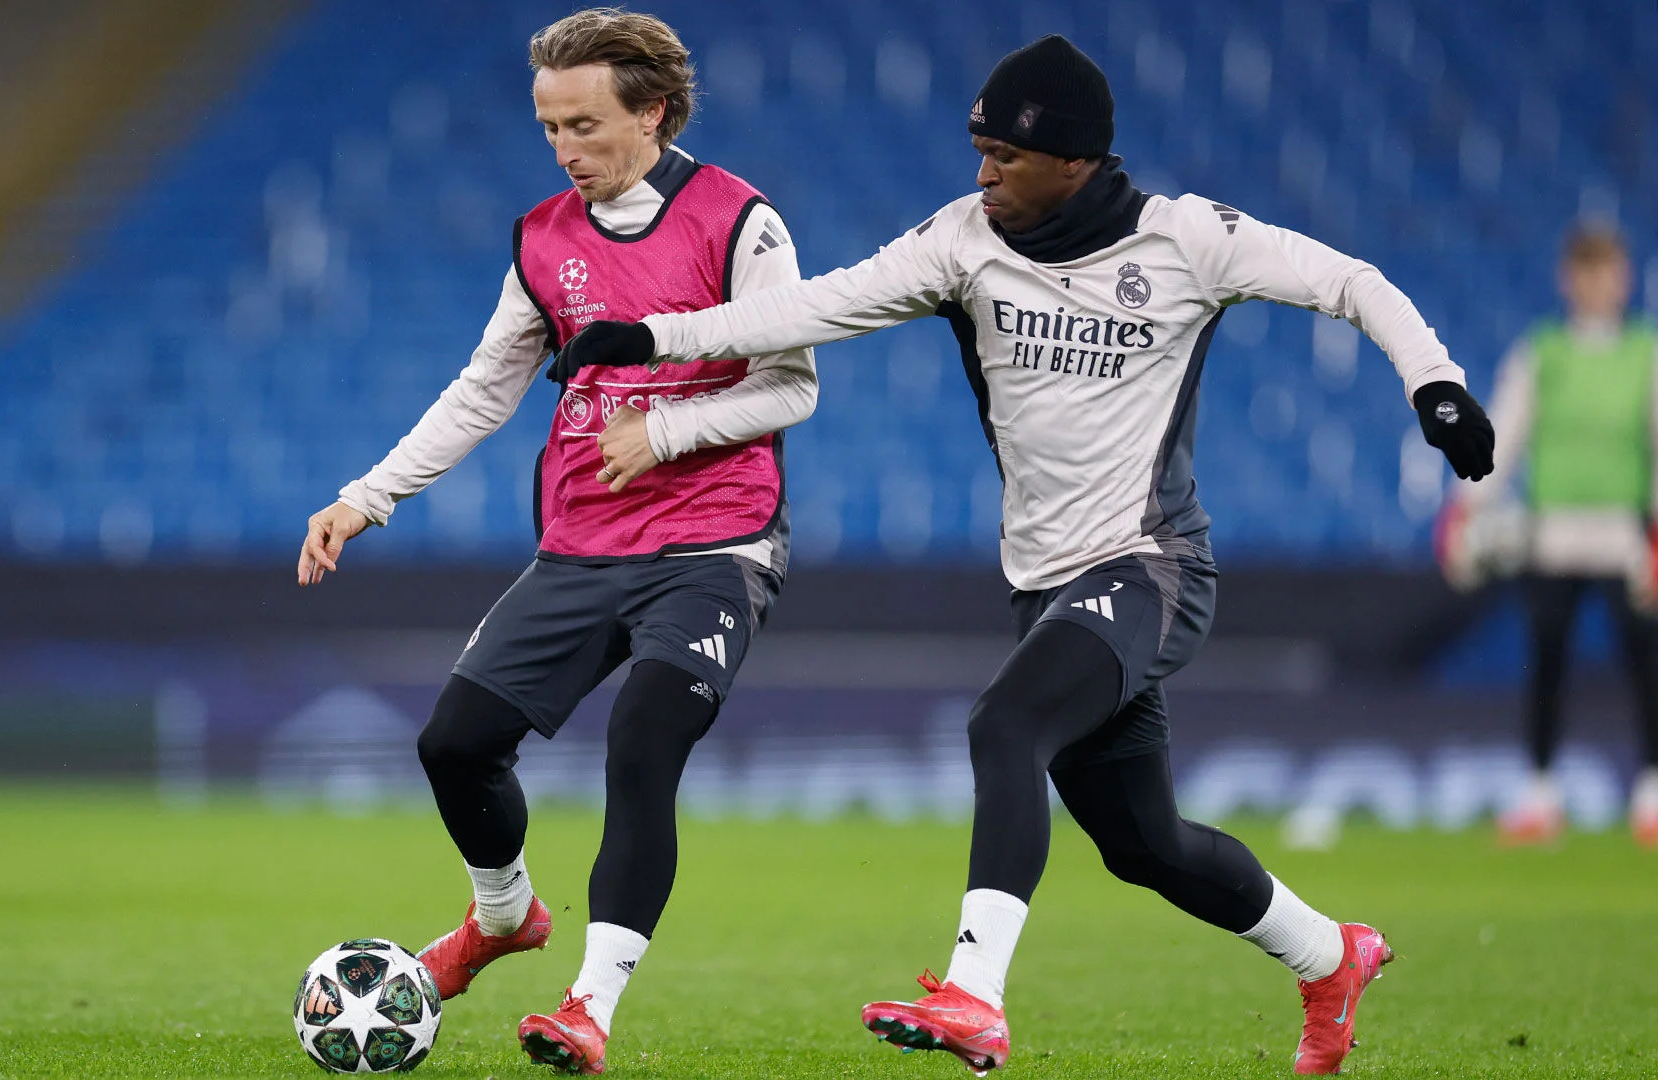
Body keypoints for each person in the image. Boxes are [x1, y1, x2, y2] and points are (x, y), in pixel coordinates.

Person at [556, 34, 1494, 1076]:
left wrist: (1435, 384)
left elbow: (1353, 281)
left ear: (1076, 161)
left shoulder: (1187, 240)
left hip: (1151, 565)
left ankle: (974, 995)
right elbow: (815, 303)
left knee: (1005, 725)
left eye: (1004, 154)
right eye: (978, 148)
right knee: (1144, 846)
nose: (983, 172)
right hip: (1046, 583)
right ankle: (1331, 955)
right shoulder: (964, 240)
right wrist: (655, 338)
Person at [297, 9, 816, 1074]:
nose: (564, 149)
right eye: (548, 128)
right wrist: (369, 495)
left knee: (641, 745)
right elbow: (486, 387)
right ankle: (503, 916)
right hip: (582, 546)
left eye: (583, 125)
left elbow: (791, 386)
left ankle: (589, 1007)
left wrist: (665, 428)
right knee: (453, 745)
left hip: (713, 545)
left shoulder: (738, 223)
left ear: (653, 113)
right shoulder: (544, 239)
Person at [1438, 227, 1658, 847]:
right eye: (1586, 272)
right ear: (1569, 280)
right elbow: (1503, 434)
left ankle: (1651, 793)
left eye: (1606, 271)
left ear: (1624, 278)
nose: (1596, 285)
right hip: (1554, 532)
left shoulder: (1645, 352)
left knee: (1646, 664)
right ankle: (1540, 792)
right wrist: (1467, 506)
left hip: (1622, 532)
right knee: (1546, 664)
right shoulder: (1544, 352)